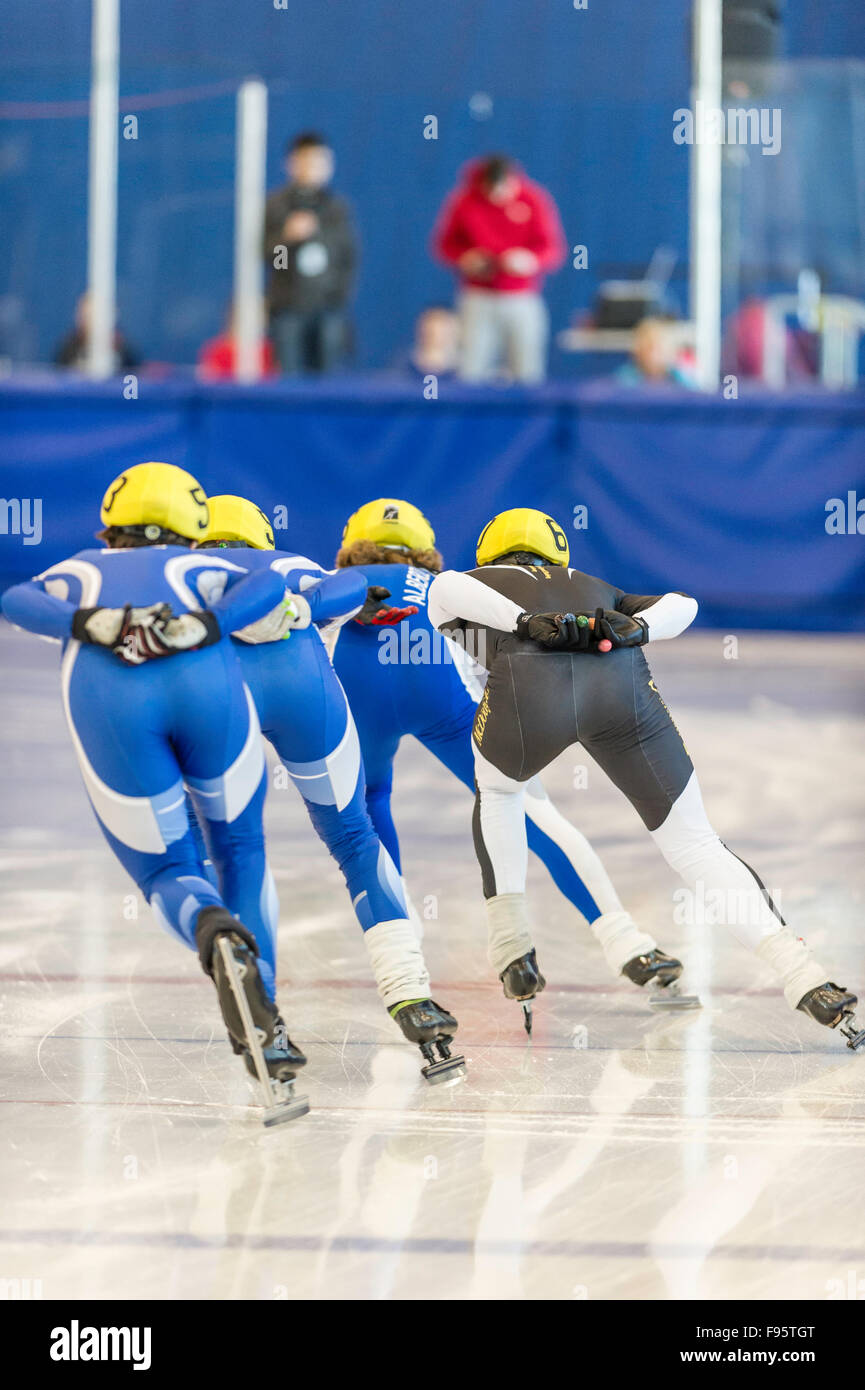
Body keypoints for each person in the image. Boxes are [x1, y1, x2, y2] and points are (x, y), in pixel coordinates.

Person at [423, 506, 864, 1050]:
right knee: (696, 843)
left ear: (489, 553)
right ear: (558, 553)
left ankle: (513, 948)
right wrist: (640, 626)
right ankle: (806, 975)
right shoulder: (596, 584)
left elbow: (444, 589)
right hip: (622, 690)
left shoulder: (469, 583)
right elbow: (685, 604)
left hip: (526, 691)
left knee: (499, 792)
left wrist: (522, 625)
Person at [0, 463, 313, 1120]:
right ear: (191, 525)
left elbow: (17, 599)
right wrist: (206, 626)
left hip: (108, 690)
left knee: (169, 867)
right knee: (240, 846)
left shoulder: (83, 567)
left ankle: (209, 927)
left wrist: (96, 625)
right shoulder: (199, 567)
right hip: (205, 679)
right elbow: (267, 584)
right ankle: (269, 1027)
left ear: (112, 526)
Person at [330, 497, 698, 1029]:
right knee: (522, 805)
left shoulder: (327, 580)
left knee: (368, 808)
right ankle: (627, 943)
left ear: (350, 550)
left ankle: (405, 968)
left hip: (357, 694)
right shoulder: (449, 585)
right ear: (425, 551)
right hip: (445, 696)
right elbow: (497, 660)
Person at [197, 495, 465, 1082]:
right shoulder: (286, 563)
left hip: (218, 693)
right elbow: (342, 590)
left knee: (234, 850)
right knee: (355, 839)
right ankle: (410, 994)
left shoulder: (178, 573)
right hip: (304, 691)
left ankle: (261, 1017)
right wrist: (309, 608)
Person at [432, 154, 566, 384]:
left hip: (521, 297)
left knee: (527, 369)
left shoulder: (533, 200)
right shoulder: (464, 201)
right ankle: (470, 418)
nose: (498, 197)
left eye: (504, 190)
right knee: (471, 368)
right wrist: (465, 258)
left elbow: (553, 250)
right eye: (492, 192)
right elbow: (444, 245)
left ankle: (527, 419)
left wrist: (529, 261)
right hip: (478, 297)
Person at [262, 132, 357, 375]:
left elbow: (348, 259)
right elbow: (275, 260)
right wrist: (287, 238)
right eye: (308, 161)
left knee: (328, 376)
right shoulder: (277, 206)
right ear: (292, 163)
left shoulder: (337, 209)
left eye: (321, 161)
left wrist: (338, 296)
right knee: (290, 377)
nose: (315, 169)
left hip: (327, 307)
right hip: (289, 307)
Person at [54, 291, 140, 373]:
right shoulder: (68, 350)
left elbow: (133, 378)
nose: (90, 321)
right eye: (86, 315)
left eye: (95, 316)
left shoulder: (122, 350)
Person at [616, 317, 698, 388]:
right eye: (649, 348)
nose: (654, 355)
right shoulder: (625, 381)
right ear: (638, 351)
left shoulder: (681, 382)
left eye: (659, 347)